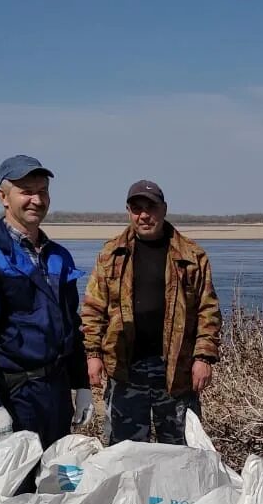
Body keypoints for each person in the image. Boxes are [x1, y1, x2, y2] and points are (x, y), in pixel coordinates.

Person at [0, 154, 94, 448]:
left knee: (56, 481)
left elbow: (71, 326)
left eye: (42, 191)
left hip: (55, 391)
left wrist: (81, 384)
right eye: (26, 191)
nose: (36, 200)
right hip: (13, 394)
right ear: (3, 197)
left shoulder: (58, 256)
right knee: (16, 488)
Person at [81, 179, 221, 445]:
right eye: (137, 208)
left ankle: (177, 489)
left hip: (175, 370)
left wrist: (203, 357)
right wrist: (93, 355)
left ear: (164, 209)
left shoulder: (192, 256)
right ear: (128, 211)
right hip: (125, 368)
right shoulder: (111, 254)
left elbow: (208, 311)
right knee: (124, 451)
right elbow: (93, 308)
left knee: (182, 450)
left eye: (151, 207)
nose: (144, 215)